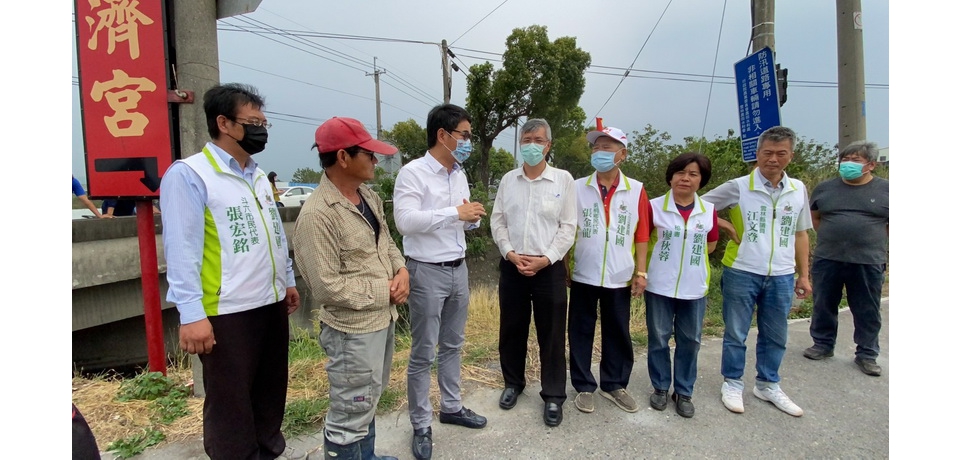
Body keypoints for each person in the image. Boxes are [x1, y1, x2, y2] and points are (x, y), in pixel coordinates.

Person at [159, 83, 310, 460]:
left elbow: (274, 233)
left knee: (269, 393)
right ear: (224, 123)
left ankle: (267, 451)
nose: (261, 130)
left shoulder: (257, 176)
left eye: (264, 123)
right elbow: (182, 249)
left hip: (269, 303)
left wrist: (287, 280)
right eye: (253, 122)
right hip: (227, 311)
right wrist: (191, 314)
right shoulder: (190, 175)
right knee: (231, 404)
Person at [294, 117, 408, 460]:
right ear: (343, 157)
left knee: (368, 397)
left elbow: (386, 243)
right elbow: (326, 286)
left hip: (381, 319)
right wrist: (386, 291)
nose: (375, 160)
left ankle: (366, 456)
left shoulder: (368, 197)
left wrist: (402, 269)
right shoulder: (318, 215)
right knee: (349, 410)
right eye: (368, 154)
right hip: (352, 331)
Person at [393, 104, 488, 460]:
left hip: (458, 269)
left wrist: (471, 218)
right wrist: (454, 213)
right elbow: (405, 221)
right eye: (464, 135)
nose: (468, 142)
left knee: (453, 344)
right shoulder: (412, 173)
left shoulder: (458, 173)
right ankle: (421, 423)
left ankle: (451, 406)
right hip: (426, 270)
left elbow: (460, 219)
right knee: (423, 351)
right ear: (443, 135)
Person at [701, 125, 813, 417]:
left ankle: (768, 384)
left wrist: (803, 274)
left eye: (781, 153)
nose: (773, 159)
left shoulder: (797, 189)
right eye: (767, 153)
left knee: (775, 333)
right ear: (758, 153)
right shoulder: (738, 186)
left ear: (791, 155)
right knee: (736, 332)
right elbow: (698, 206)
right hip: (742, 270)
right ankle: (732, 382)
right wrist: (724, 224)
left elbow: (801, 233)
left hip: (782, 274)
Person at [490, 118, 577, 427]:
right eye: (526, 140)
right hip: (513, 265)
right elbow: (498, 221)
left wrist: (546, 259)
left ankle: (553, 395)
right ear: (520, 144)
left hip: (548, 268)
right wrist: (509, 253)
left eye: (538, 140)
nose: (531, 145)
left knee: (551, 333)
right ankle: (513, 383)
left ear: (548, 145)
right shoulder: (508, 180)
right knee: (511, 328)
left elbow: (568, 227)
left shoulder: (563, 180)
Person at [566, 125, 651, 415]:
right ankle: (583, 386)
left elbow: (642, 233)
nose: (599, 152)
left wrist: (641, 272)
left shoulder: (636, 189)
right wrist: (565, 264)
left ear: (622, 154)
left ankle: (614, 384)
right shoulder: (577, 187)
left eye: (606, 147)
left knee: (617, 331)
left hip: (619, 274)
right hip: (584, 272)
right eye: (596, 147)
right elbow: (567, 228)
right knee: (580, 331)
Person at [802, 141, 889, 376]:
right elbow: (815, 217)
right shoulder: (825, 188)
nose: (848, 164)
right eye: (845, 159)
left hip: (867, 260)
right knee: (824, 303)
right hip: (828, 257)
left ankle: (867, 354)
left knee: (867, 308)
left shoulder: (886, 190)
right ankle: (822, 344)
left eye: (855, 160)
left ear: (871, 165)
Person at [644, 152, 719, 418]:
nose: (685, 178)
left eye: (693, 174)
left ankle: (684, 391)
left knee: (691, 341)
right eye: (680, 173)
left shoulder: (708, 210)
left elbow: (711, 246)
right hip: (659, 285)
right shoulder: (653, 207)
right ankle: (660, 387)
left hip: (694, 287)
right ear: (671, 177)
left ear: (701, 180)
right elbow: (642, 241)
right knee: (659, 338)